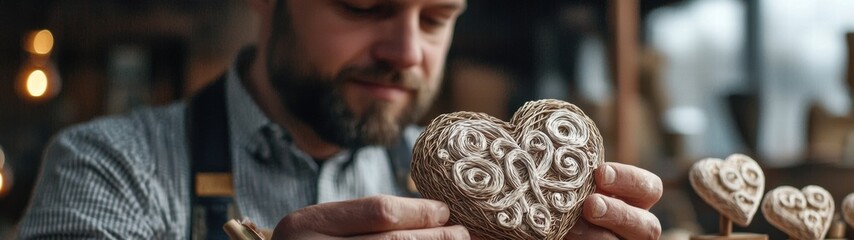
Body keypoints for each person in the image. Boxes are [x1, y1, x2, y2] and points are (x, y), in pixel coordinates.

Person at [18, 0, 663, 239]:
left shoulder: (479, 188)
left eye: (436, 19)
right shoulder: (109, 168)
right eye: (364, 8)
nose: (408, 52)